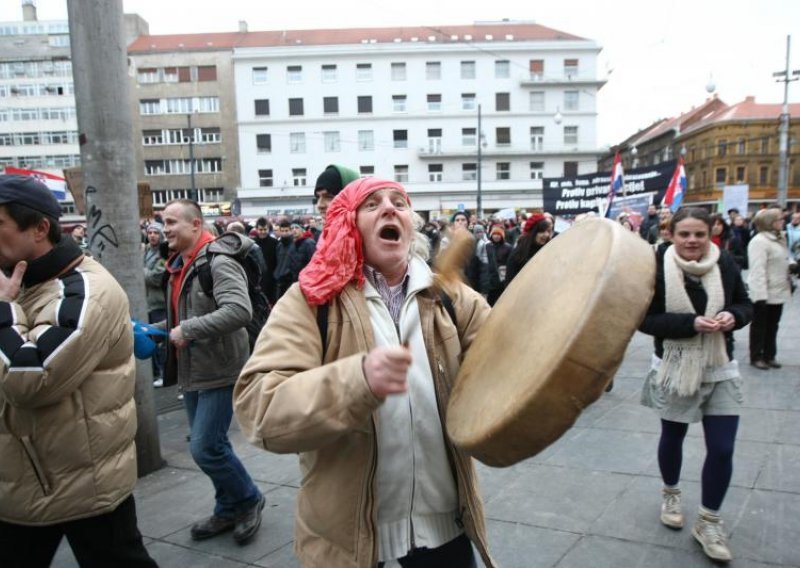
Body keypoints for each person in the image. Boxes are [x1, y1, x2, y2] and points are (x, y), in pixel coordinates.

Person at [234, 177, 495, 568]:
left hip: (445, 525)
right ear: (347, 224)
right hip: (349, 537)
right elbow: (260, 407)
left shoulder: (451, 298)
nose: (390, 208)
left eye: (399, 203)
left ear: (410, 224)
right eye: (372, 205)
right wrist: (358, 381)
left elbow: (506, 362)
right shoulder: (310, 301)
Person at [0, 175, 156, 567]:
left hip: (84, 485)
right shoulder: (19, 286)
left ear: (39, 228)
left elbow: (30, 379)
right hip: (22, 478)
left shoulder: (86, 289)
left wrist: (2, 308)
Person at [639, 207, 752, 563]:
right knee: (673, 436)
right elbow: (645, 319)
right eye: (684, 234)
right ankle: (671, 493)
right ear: (671, 234)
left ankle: (708, 521)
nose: (692, 241)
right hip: (675, 366)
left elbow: (745, 304)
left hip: (719, 366)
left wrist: (734, 316)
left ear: (711, 234)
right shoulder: (656, 266)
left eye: (699, 235)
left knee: (721, 448)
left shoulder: (725, 263)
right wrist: (691, 324)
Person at [160, 198, 265, 545]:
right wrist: (159, 329)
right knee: (213, 444)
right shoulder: (181, 263)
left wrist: (186, 330)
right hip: (194, 368)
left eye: (172, 221)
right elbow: (184, 313)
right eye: (164, 222)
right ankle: (227, 507)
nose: (165, 228)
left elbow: (239, 310)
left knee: (205, 447)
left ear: (195, 225)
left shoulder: (217, 261)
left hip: (221, 368)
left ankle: (248, 498)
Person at [746, 208, 793, 370]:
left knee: (773, 325)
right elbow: (757, 270)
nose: (783, 221)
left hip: (778, 290)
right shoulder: (759, 241)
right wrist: (759, 295)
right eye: (779, 219)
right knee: (760, 326)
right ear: (769, 222)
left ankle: (769, 355)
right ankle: (756, 356)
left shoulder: (778, 238)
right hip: (764, 292)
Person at [143, 222, 167, 387]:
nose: (152, 235)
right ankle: (157, 373)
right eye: (150, 232)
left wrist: (139, 269)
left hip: (159, 303)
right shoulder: (144, 252)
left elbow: (156, 278)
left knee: (162, 343)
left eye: (155, 233)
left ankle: (165, 374)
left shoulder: (163, 255)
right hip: (146, 303)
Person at [505, 213, 553, 285]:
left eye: (548, 231)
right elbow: (509, 282)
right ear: (533, 232)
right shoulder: (518, 253)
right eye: (542, 231)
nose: (546, 235)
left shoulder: (549, 250)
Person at [254, 217, 278, 305]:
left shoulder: (275, 243)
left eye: (265, 229)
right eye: (260, 229)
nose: (263, 232)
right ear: (256, 229)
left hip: (271, 277)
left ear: (268, 229)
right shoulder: (252, 243)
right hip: (257, 276)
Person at [485, 225, 512, 306]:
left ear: (502, 236)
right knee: (490, 302)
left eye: (498, 234)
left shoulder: (508, 247)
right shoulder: (488, 246)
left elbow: (510, 263)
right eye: (494, 234)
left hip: (502, 279)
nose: (496, 236)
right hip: (490, 279)